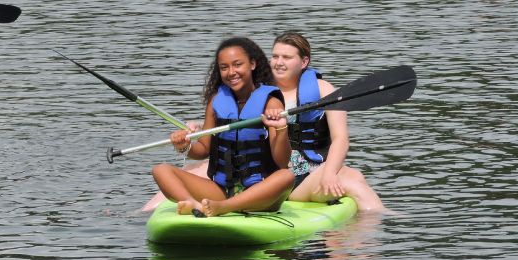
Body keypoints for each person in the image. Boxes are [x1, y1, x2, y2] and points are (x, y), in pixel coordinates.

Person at [151, 37, 294, 217]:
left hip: (260, 193)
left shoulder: (270, 102)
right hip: (221, 190)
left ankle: (224, 207)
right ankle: (195, 205)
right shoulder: (216, 102)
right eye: (224, 67)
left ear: (252, 64)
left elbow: (282, 162)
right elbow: (203, 149)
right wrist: (184, 146)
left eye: (237, 65)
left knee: (286, 176)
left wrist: (281, 128)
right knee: (160, 170)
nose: (231, 72)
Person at [268, 32, 384, 213]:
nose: (278, 62)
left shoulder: (325, 91)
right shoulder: (262, 93)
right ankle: (388, 221)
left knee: (356, 176)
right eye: (275, 56)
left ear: (304, 62)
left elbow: (340, 139)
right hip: (286, 179)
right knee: (353, 184)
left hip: (316, 169)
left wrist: (329, 174)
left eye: (287, 57)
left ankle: (367, 223)